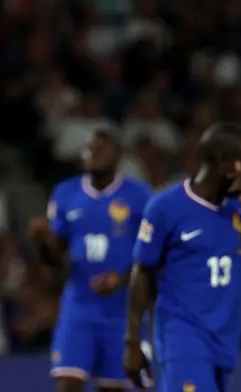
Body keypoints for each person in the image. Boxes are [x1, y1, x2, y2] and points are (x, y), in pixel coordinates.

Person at [124, 122, 241, 392]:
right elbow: (142, 273)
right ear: (224, 163)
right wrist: (132, 341)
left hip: (224, 340)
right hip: (182, 339)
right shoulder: (166, 207)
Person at [30, 125, 152, 392]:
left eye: (101, 149)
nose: (93, 154)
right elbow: (54, 258)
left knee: (113, 387)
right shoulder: (65, 193)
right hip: (79, 306)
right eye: (89, 149)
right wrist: (43, 242)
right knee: (67, 383)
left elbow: (151, 255)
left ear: (118, 155)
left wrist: (120, 280)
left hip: (122, 311)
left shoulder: (139, 196)